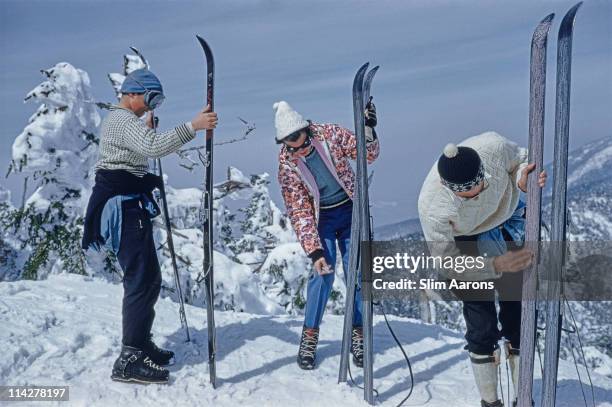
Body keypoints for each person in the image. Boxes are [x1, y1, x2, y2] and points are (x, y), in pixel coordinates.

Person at [82, 68, 218, 384]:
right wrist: (193, 127)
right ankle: (129, 359)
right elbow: (153, 147)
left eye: (158, 100)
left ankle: (140, 344)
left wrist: (145, 131)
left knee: (150, 278)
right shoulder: (120, 120)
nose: (153, 106)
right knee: (140, 280)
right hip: (123, 208)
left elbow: (138, 148)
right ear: (133, 93)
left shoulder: (126, 122)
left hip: (131, 204)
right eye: (151, 98)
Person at [418, 132, 547, 407]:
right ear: (449, 187)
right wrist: (492, 265)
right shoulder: (433, 207)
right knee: (481, 326)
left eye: (480, 182)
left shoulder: (493, 147)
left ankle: (522, 397)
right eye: (468, 190)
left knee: (519, 314)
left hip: (505, 224)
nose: (477, 190)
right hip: (465, 245)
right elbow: (447, 260)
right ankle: (490, 402)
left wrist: (525, 176)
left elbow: (521, 158)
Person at [275, 100, 380, 370]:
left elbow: (367, 155)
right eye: (288, 142)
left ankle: (358, 331)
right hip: (323, 218)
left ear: (306, 129)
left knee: (356, 272)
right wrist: (315, 251)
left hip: (349, 210)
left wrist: (368, 130)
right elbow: (299, 210)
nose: (296, 146)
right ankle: (310, 334)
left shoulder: (330, 135)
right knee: (323, 274)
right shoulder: (288, 165)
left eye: (297, 138)